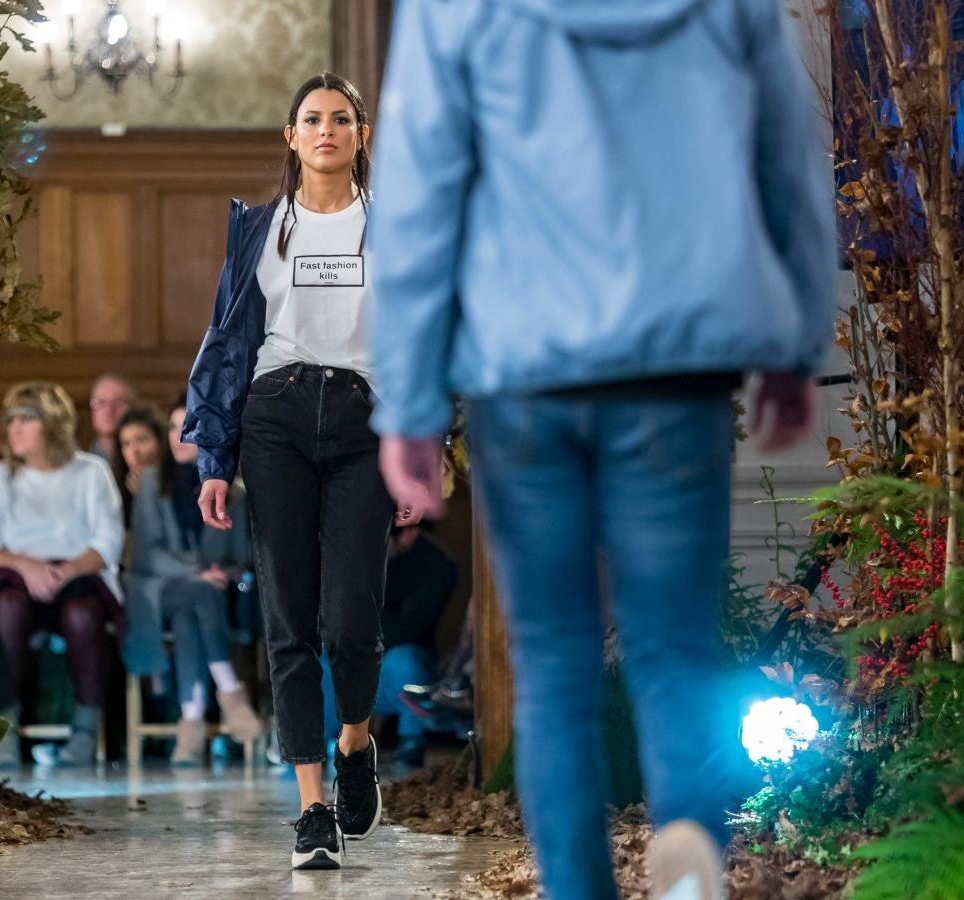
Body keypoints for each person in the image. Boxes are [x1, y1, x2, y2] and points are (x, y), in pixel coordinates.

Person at [367, 3, 835, 899]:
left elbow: (423, 194)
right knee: (676, 650)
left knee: (551, 670)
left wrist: (413, 400)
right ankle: (690, 843)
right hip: (676, 367)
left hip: (524, 371)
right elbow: (785, 149)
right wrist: (795, 338)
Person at [183, 72, 418, 870]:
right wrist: (216, 458)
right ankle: (312, 806)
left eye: (341, 119)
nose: (326, 130)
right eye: (311, 119)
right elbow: (225, 344)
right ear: (291, 136)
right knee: (287, 618)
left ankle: (356, 741)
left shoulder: (392, 226)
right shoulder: (258, 228)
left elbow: (421, 345)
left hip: (364, 424)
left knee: (352, 615)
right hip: (274, 420)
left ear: (360, 135)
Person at [0, 382, 126, 768]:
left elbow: (108, 543)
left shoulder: (91, 471)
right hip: (19, 575)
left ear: (51, 424)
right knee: (6, 605)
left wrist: (66, 570)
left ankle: (86, 732)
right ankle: (2, 729)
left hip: (77, 573)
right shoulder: (0, 477)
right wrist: (28, 567)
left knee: (83, 613)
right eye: (10, 421)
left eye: (25, 419)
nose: (14, 428)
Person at [123, 395, 262, 766]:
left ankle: (192, 719)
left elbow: (240, 560)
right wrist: (199, 573)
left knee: (191, 616)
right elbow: (148, 556)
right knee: (199, 593)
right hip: (154, 590)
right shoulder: (151, 482)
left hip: (207, 598)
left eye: (188, 428)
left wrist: (219, 575)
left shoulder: (234, 493)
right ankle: (230, 691)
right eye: (171, 427)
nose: (177, 437)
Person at [321, 524, 458, 767]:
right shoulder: (358, 556)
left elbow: (408, 628)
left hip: (396, 662)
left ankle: (410, 741)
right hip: (354, 655)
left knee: (407, 661)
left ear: (408, 535)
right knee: (327, 659)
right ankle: (325, 742)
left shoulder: (438, 566)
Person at [116, 406, 165, 499]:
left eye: (142, 440)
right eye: (126, 444)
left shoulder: (180, 480)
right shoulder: (117, 488)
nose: (134, 451)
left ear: (161, 440)